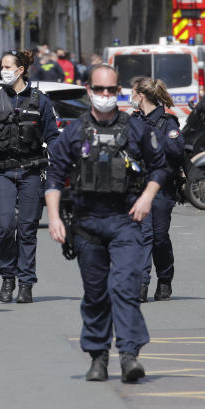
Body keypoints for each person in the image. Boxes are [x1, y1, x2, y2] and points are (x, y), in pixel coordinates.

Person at [44, 64, 166, 383]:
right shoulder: (74, 131)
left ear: (119, 91)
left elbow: (159, 168)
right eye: (100, 90)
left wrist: (146, 198)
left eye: (111, 90)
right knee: (96, 293)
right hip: (87, 224)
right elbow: (55, 175)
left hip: (126, 221)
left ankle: (129, 357)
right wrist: (54, 218)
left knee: (124, 288)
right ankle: (98, 357)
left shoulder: (136, 129)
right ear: (90, 91)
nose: (106, 96)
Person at [0, 50, 59, 304]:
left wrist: (63, 164)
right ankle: (7, 277)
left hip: (31, 171)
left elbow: (53, 137)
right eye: (1, 66)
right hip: (2, 171)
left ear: (20, 70)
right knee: (4, 227)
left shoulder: (41, 101)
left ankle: (26, 283)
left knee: (27, 230)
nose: (2, 70)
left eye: (6, 66)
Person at [130, 77, 184, 302]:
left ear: (141, 96)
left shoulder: (167, 121)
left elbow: (177, 148)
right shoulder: (133, 120)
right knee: (143, 235)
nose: (131, 98)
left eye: (133, 94)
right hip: (138, 187)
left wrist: (152, 140)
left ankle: (165, 278)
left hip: (162, 188)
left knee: (159, 237)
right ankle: (141, 284)